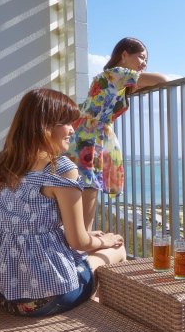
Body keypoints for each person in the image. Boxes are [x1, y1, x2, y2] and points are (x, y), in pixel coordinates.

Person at [0, 88, 127, 317]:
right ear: (44, 126)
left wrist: (90, 239)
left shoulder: (5, 166)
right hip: (48, 299)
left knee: (94, 245)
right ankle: (105, 314)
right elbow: (78, 241)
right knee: (117, 248)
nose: (72, 129)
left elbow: (32, 227)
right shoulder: (62, 170)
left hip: (6, 297)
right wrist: (104, 240)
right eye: (65, 123)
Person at [67, 37, 169, 231]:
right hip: (90, 138)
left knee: (82, 187)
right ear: (124, 55)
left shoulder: (105, 76)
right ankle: (81, 241)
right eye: (141, 57)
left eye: (146, 60)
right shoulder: (119, 73)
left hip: (82, 135)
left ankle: (78, 238)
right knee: (89, 187)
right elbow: (162, 80)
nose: (144, 64)